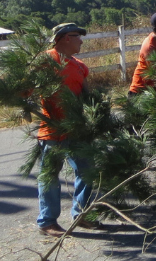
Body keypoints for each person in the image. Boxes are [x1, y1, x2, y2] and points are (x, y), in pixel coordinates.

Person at [36, 23, 101, 237]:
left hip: (76, 130)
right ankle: (47, 222)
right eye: (77, 36)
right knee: (50, 176)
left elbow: (86, 98)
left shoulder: (80, 66)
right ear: (64, 38)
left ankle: (81, 215)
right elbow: (24, 89)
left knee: (87, 170)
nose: (81, 41)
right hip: (52, 131)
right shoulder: (44, 61)